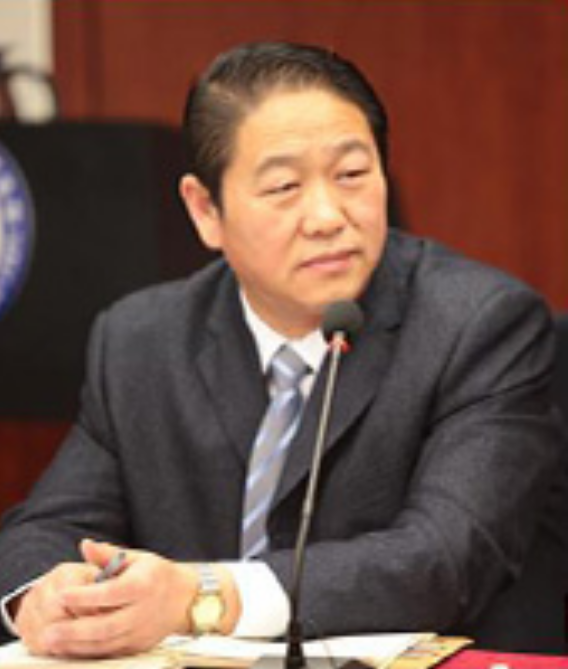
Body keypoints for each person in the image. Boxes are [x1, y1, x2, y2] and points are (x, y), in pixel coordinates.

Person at [0, 41, 566, 659]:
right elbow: (48, 526)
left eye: (352, 175)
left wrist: (203, 596)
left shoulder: (481, 325)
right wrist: (46, 595)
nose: (327, 216)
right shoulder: (141, 340)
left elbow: (443, 558)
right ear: (205, 210)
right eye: (284, 187)